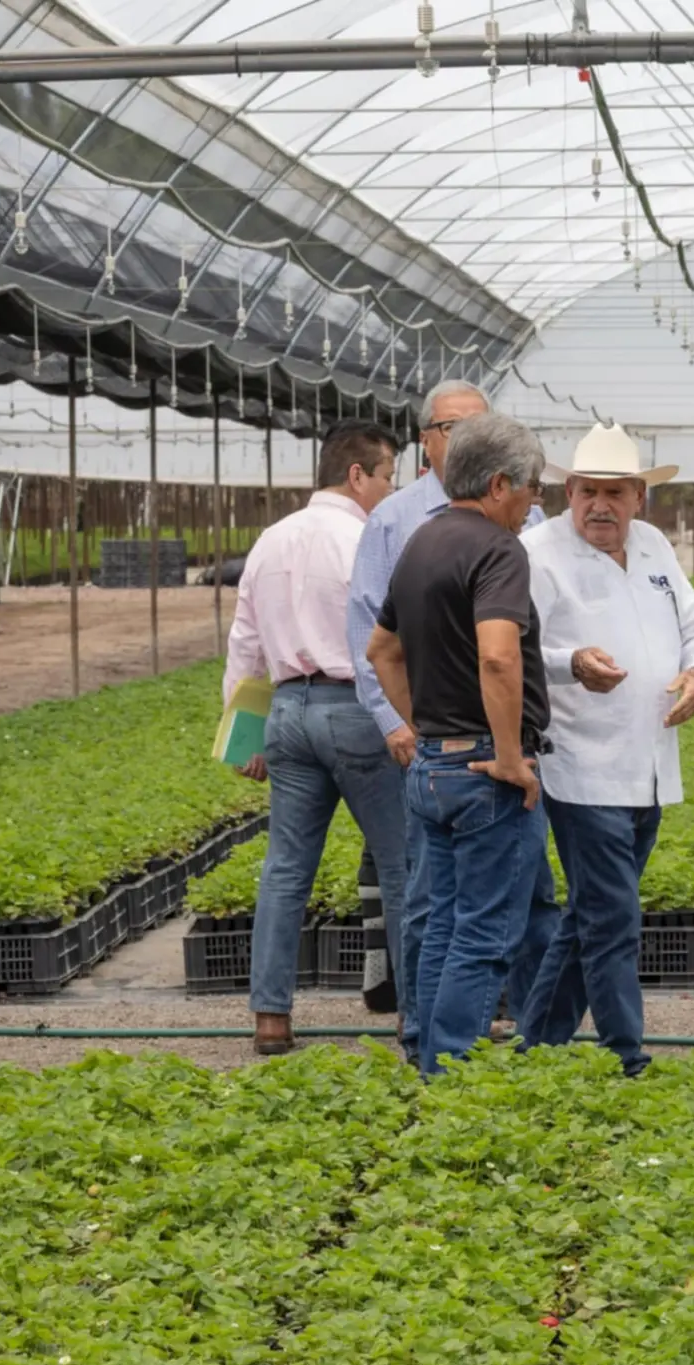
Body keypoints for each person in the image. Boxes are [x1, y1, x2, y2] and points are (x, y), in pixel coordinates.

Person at [348, 380, 554, 1060]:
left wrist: (429, 729)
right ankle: (455, 1068)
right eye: (529, 487)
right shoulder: (498, 551)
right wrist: (506, 756)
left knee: (437, 926)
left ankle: (428, 1056)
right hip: (482, 774)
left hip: (433, 767)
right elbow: (499, 659)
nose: (532, 503)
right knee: (484, 934)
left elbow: (382, 650)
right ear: (498, 484)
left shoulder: (423, 539)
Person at [519, 424, 694, 1075]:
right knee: (614, 919)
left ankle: (537, 1045)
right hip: (580, 766)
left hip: (651, 765)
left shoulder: (656, 546)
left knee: (591, 914)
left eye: (614, 492)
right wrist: (571, 662)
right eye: (587, 492)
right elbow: (511, 650)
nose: (599, 505)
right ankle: (625, 1056)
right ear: (568, 491)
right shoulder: (537, 553)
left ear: (639, 496)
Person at [225, 420, 400, 1055]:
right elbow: (390, 637)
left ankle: (271, 1018)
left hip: (287, 713)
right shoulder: (367, 538)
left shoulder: (270, 541)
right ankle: (417, 1016)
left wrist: (243, 738)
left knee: (285, 870)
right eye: (387, 476)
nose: (390, 489)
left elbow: (244, 642)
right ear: (358, 475)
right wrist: (404, 720)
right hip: (354, 708)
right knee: (403, 863)